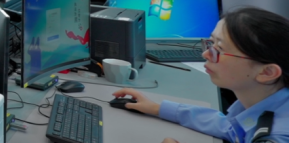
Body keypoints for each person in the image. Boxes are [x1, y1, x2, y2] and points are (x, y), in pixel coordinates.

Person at [115, 7, 289, 143]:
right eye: (211, 43)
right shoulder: (265, 103)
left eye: (219, 49)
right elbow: (230, 128)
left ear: (267, 72)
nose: (205, 54)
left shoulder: (277, 136)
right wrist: (157, 108)